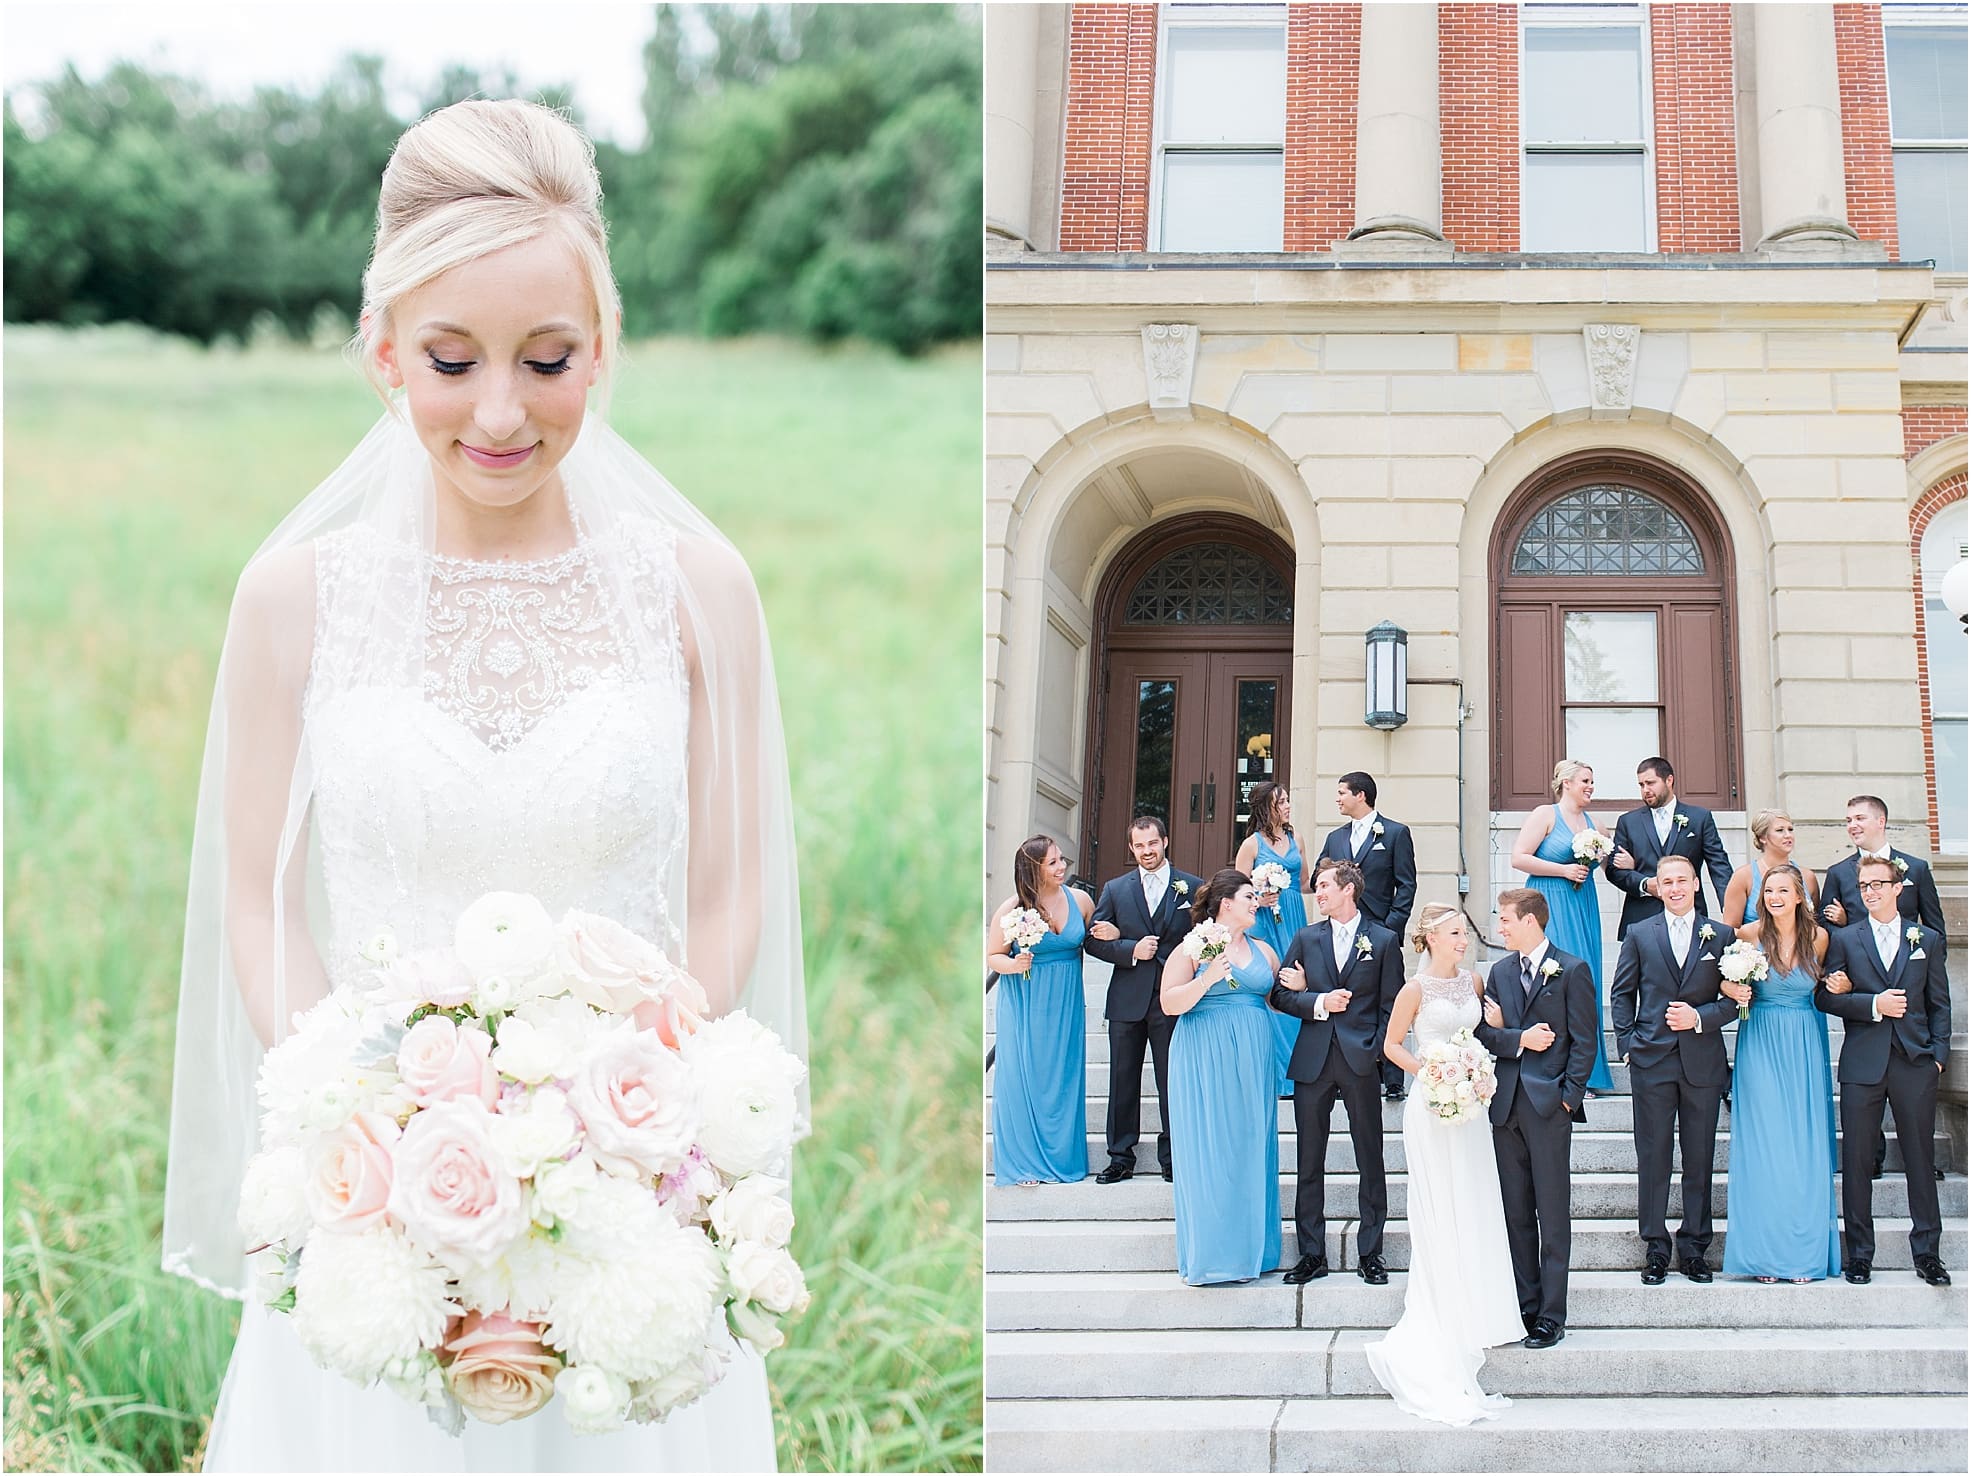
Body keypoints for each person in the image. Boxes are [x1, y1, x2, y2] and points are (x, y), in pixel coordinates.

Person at [163, 101, 805, 1470]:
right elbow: (259, 901)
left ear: (604, 350)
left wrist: (627, 1136)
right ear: (384, 350)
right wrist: (372, 1126)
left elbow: (731, 885)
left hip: (623, 1206)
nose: (501, 411)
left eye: (549, 359)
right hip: (377, 1201)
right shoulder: (292, 602)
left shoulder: (697, 593)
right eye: (452, 360)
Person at [1363, 904, 1526, 1425]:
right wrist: (1433, 1071)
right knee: (1438, 1202)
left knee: (1473, 1198)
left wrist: (1478, 1063)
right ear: (1431, 939)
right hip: (1431, 1105)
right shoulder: (1415, 990)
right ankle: (1441, 1305)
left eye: (1465, 932)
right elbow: (1391, 1046)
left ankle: (1476, 1300)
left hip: (1471, 1107)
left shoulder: (1474, 982)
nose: (1464, 939)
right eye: (1456, 932)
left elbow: (1483, 1035)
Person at [1818, 855, 1953, 1289]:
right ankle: (1859, 1255)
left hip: (1915, 1063)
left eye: (1879, 883)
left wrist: (1938, 1057)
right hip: (1862, 1064)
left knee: (1919, 1158)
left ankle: (1927, 1253)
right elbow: (1826, 999)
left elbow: (1939, 1004)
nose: (1871, 891)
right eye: (1864, 885)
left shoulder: (1925, 939)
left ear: (1899, 888)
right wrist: (1872, 1004)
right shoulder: (1846, 939)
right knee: (1857, 1161)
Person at [1268, 859, 1402, 1287]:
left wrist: (1380, 1056)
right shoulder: (1306, 938)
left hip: (1361, 1059)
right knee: (1309, 1158)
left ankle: (1371, 1253)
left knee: (1370, 1157)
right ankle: (1312, 1254)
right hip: (1313, 1060)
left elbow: (1391, 1006)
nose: (1318, 892)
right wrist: (1318, 1002)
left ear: (1349, 889)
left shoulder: (1382, 940)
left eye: (1325, 885)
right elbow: (1279, 995)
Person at [1474, 888, 1596, 1350]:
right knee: (1517, 1212)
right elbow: (1484, 1032)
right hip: (1505, 1108)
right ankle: (1524, 1306)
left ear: (1531, 921)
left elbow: (1585, 1041)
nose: (1500, 927)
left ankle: (1551, 1313)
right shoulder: (1500, 971)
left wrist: (1569, 1099)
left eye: (1505, 919)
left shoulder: (1572, 969)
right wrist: (1517, 1037)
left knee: (1553, 1211)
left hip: (1550, 1107)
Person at [1609, 855, 1734, 1285]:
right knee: (1654, 1156)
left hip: (1702, 1062)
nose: (1675, 888)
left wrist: (1700, 1018)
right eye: (1667, 882)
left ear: (1696, 884)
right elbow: (1622, 993)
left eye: (1683, 880)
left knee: (1699, 1159)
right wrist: (1627, 1045)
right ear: (1658, 887)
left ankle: (1695, 1247)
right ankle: (1656, 1247)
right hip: (1652, 1061)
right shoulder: (1641, 934)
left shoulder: (1721, 935)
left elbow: (1734, 1000)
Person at [1719, 865, 1842, 1283]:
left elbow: (1827, 987)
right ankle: (1764, 1255)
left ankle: (1802, 1253)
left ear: (1799, 897)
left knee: (1803, 1145)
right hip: (1761, 1043)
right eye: (1769, 890)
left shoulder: (1819, 939)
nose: (1774, 896)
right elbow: (1719, 979)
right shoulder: (1748, 936)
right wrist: (1728, 989)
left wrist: (1839, 986)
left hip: (1805, 1043)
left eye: (1782, 890)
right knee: (1765, 1144)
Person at [1160, 869, 1282, 1285]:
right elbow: (1169, 1003)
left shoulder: (1265, 950)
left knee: (1250, 1147)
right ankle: (1213, 1255)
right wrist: (1207, 978)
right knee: (1210, 1150)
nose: (1256, 901)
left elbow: (1278, 1000)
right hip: (1203, 1057)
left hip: (1253, 1059)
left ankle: (1254, 1251)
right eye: (1250, 895)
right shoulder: (1193, 947)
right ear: (1226, 902)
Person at [1818, 795, 1948, 1183]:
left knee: (1912, 1097)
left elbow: (1934, 928)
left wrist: (1938, 1054)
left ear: (1881, 821)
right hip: (1864, 998)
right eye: (1848, 820)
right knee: (1865, 1085)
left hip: (1911, 998)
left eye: (1859, 818)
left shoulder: (1917, 868)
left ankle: (1920, 1159)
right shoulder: (1840, 872)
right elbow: (1828, 936)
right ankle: (1870, 1155)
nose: (1852, 825)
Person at [1085, 816, 1205, 1184]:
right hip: (1127, 998)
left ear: (1164, 841)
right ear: (1131, 848)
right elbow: (1093, 940)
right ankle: (1120, 1157)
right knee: (1122, 1079)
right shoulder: (1116, 889)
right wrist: (1129, 948)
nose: (1146, 851)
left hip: (1172, 998)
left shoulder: (1193, 886)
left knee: (1174, 1080)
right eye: (1139, 846)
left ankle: (1174, 1156)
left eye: (1152, 843)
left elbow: (1206, 935)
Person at [988, 835, 1097, 1187]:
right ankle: (1024, 1163)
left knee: (1063, 1076)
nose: (1062, 866)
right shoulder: (1012, 909)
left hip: (1065, 1000)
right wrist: (1014, 964)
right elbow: (993, 957)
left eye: (1061, 859)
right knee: (1024, 1075)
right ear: (1033, 868)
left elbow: (1093, 938)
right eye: (1052, 862)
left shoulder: (1080, 900)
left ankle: (1062, 1157)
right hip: (1026, 998)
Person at [1508, 759, 1614, 1095]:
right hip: (1548, 903)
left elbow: (1606, 861)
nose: (1590, 787)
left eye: (1593, 781)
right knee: (1549, 980)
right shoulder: (1545, 814)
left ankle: (1587, 1073)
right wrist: (1563, 870)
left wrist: (1617, 859)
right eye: (1585, 780)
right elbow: (1519, 857)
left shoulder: (1596, 823)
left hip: (1582, 904)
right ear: (1566, 783)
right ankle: (1546, 1066)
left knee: (1585, 980)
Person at [1320, 773, 1417, 1101]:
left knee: (1389, 1002)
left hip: (1381, 931)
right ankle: (1340, 1071)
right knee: (1344, 999)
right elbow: (1322, 876)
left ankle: (1392, 1077)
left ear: (1360, 795)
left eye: (1341, 793)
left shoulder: (1395, 833)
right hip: (1341, 932)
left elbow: (1406, 885)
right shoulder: (1335, 838)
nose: (1337, 799)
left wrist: (1390, 928)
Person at [1602, 756, 1732, 941]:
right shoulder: (1628, 822)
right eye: (1641, 785)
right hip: (1641, 919)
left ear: (1669, 780)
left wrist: (1730, 907)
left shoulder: (1699, 818)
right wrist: (1645, 884)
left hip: (1690, 915)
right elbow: (1614, 872)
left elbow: (1719, 865)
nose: (1645, 790)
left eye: (1650, 783)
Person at [1236, 781, 1307, 1097]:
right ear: (1267, 806)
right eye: (1282, 801)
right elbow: (1236, 888)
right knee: (1271, 987)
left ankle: (1300, 1072)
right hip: (1264, 922)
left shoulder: (1296, 838)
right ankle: (1278, 1076)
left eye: (1288, 800)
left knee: (1297, 983)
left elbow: (1304, 882)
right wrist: (1258, 897)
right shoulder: (1251, 845)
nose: (1288, 805)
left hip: (1293, 917)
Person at [1722, 808, 1822, 941]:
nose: (1788, 835)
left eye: (1790, 829)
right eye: (1780, 830)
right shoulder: (1744, 877)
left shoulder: (1808, 877)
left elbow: (1815, 925)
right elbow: (1729, 930)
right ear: (1763, 837)